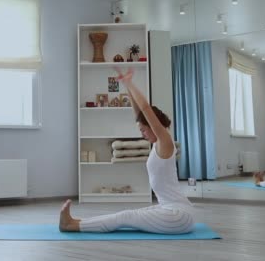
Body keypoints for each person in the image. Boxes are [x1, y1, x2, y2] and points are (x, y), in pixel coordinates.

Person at [59, 68, 195, 234]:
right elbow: (139, 113)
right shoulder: (158, 144)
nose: (142, 134)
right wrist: (127, 86)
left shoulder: (165, 140)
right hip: (172, 210)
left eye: (144, 130)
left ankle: (71, 226)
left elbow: (145, 109)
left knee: (126, 216)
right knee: (129, 214)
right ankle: (75, 222)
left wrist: (130, 83)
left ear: (154, 126)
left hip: (178, 216)